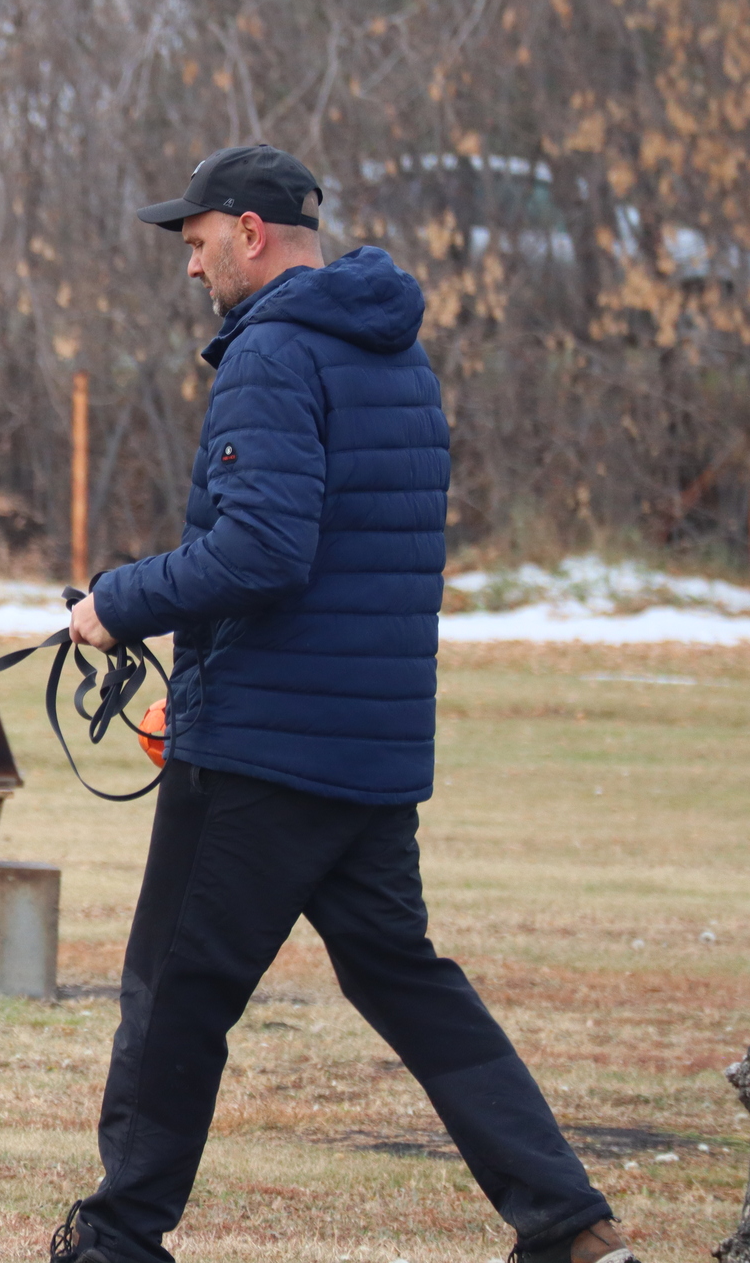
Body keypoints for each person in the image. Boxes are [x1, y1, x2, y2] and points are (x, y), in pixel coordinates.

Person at [47, 144, 635, 1263]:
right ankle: (564, 1221)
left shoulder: (270, 354)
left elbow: (261, 551)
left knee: (172, 991)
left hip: (266, 746)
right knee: (407, 984)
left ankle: (115, 1240)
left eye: (196, 239)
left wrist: (117, 603)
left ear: (248, 231)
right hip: (367, 746)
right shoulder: (390, 352)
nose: (189, 266)